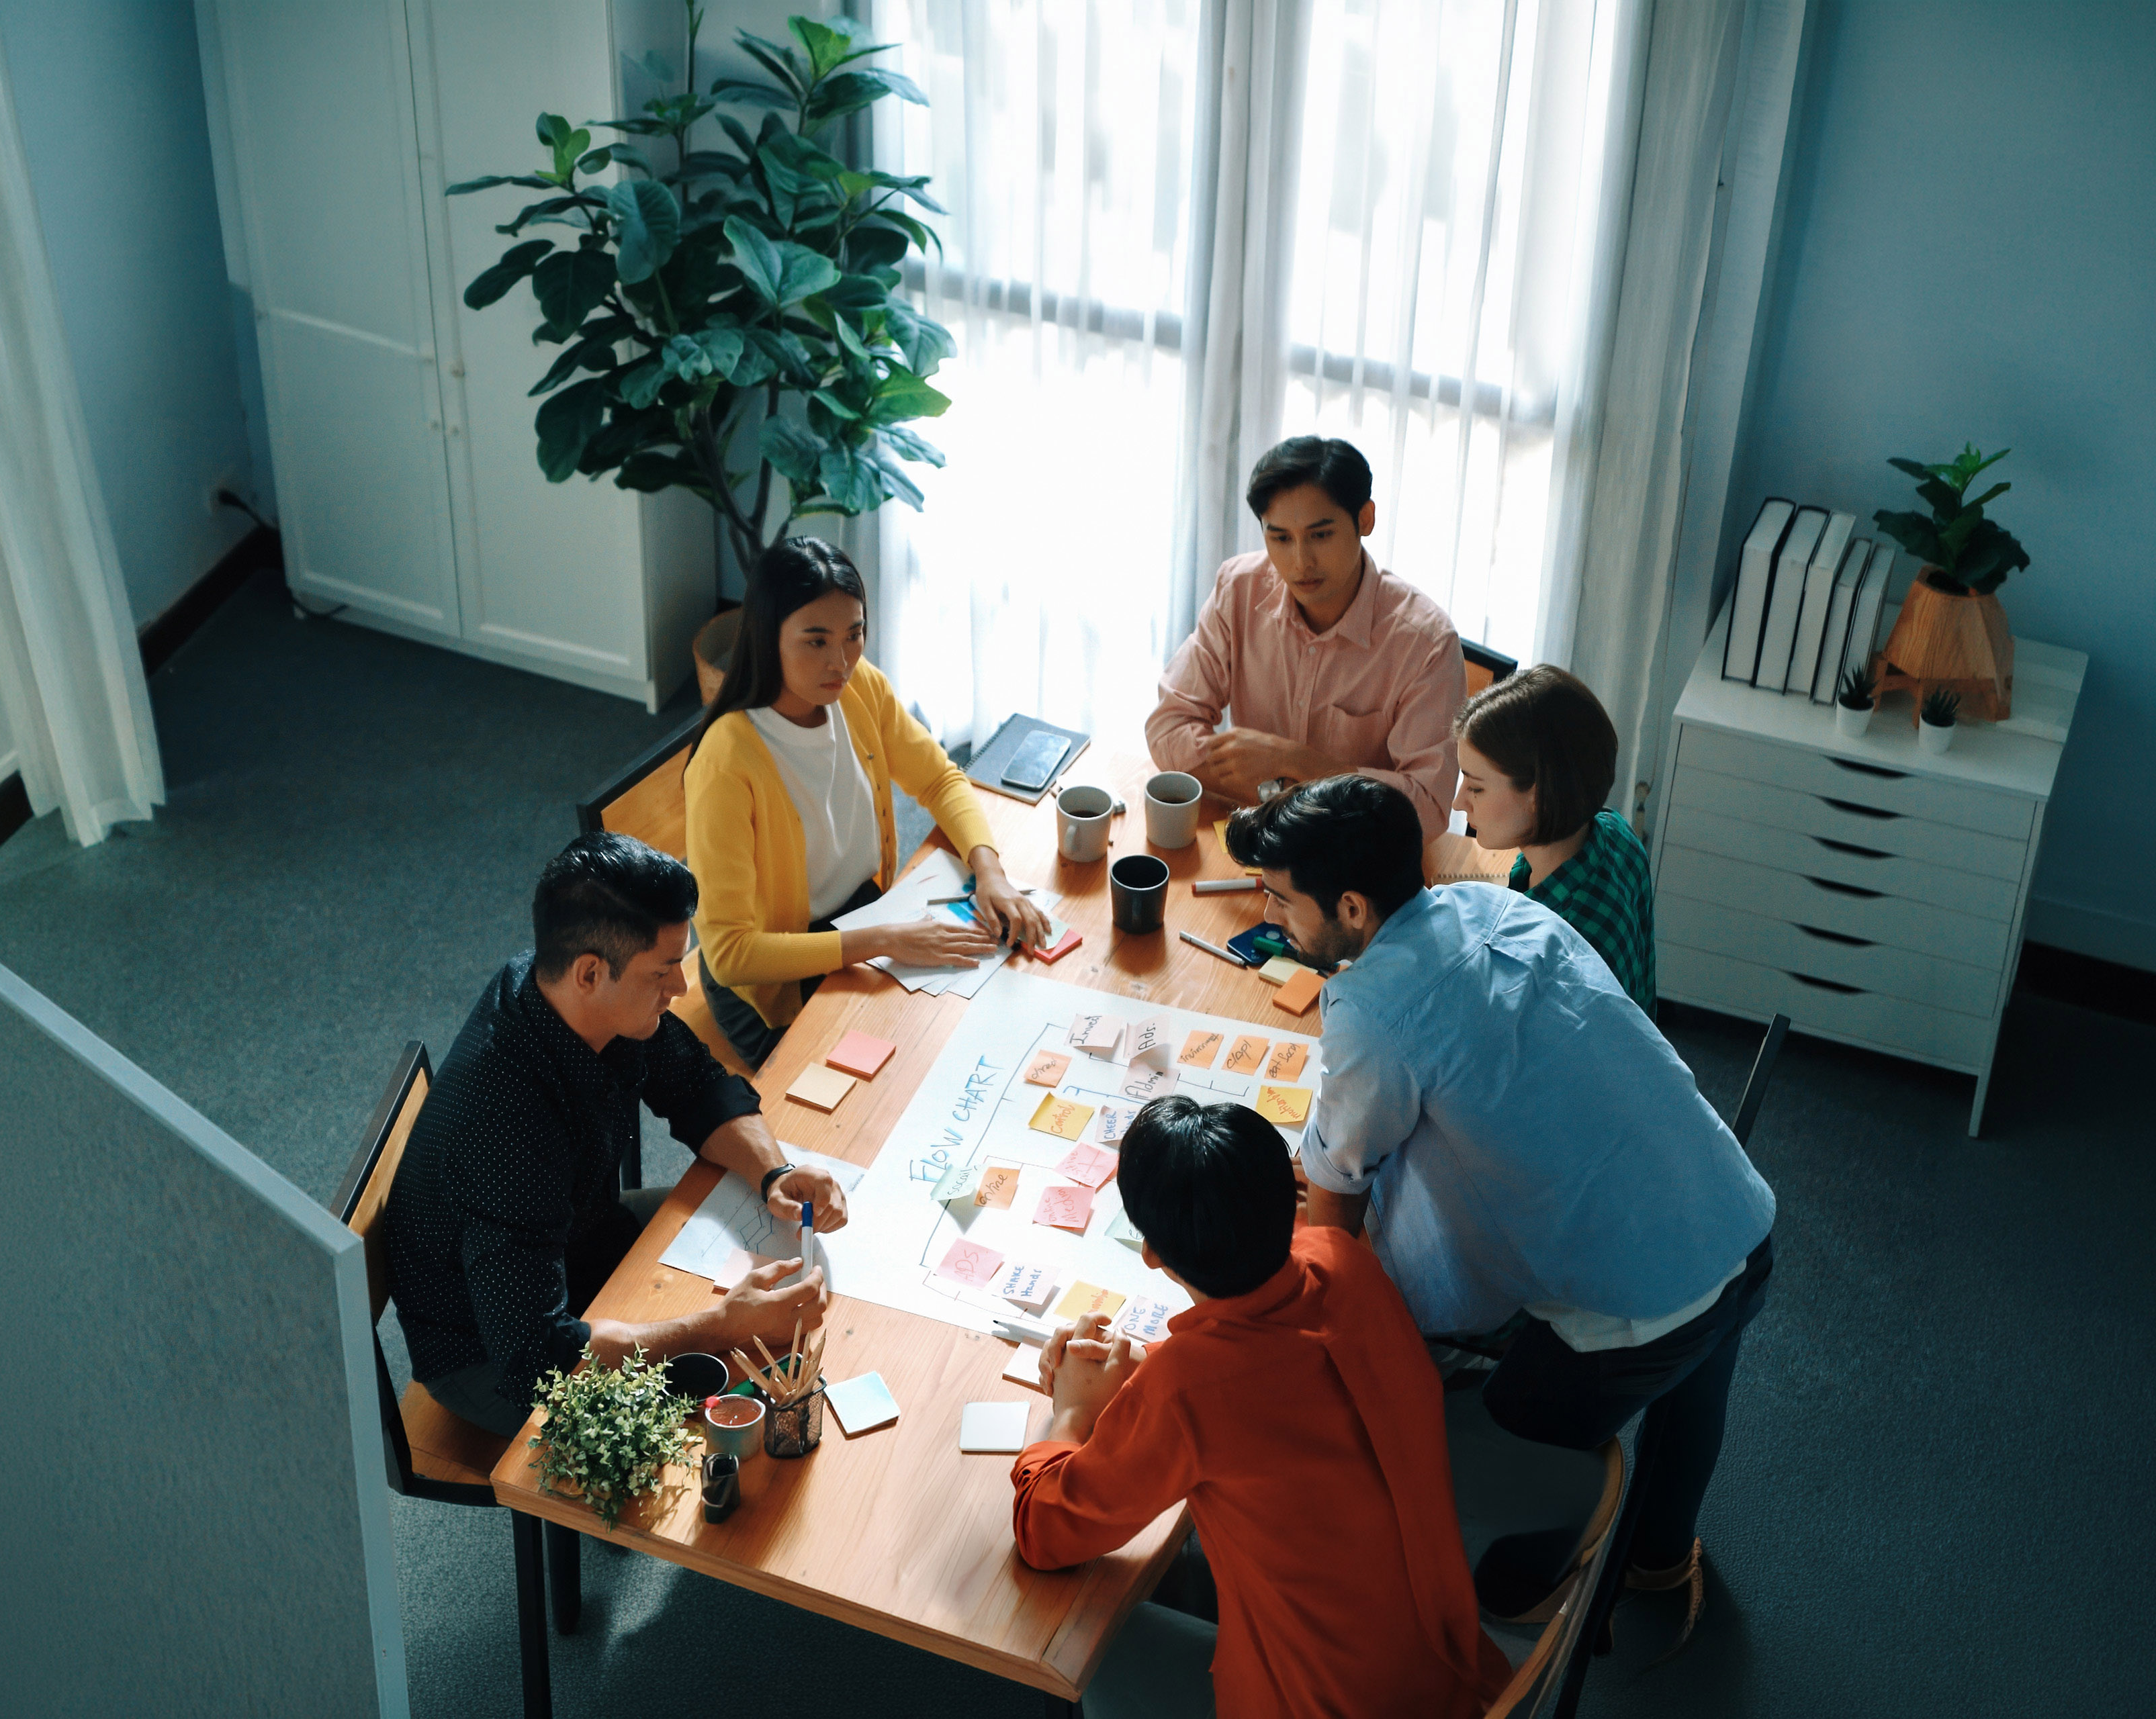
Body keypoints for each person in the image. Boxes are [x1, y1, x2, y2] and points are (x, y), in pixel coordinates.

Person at [1224, 776, 1776, 1630]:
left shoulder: (1371, 1006)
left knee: (1492, 1447)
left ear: (1354, 907)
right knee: (1693, 1397)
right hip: (1731, 1216)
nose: (1273, 916)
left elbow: (1332, 1217)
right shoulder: (1496, 907)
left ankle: (1513, 1615)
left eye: (1283, 900)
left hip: (1638, 1308)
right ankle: (1662, 1561)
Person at [1009, 1097, 1509, 1719]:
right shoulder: (1343, 1258)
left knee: (1088, 1646)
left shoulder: (1184, 1392)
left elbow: (1045, 1533)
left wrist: (1072, 1413)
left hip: (1319, 1703)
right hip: (1441, 1653)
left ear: (1152, 1253)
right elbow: (1267, 1366)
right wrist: (1142, 1372)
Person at [388, 832, 849, 1438]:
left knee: (748, 1227)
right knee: (734, 1420)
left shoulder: (578, 996)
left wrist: (775, 1173)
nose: (682, 987)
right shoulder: (505, 1124)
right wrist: (721, 1327)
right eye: (663, 970)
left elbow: (696, 1086)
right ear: (590, 973)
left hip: (573, 1238)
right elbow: (540, 1359)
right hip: (488, 1356)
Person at [684, 537, 1049, 1067]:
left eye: (854, 635)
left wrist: (990, 871)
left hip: (863, 917)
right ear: (767, 636)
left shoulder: (859, 690)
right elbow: (731, 953)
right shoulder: (726, 763)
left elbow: (940, 779)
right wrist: (881, 940)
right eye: (816, 641)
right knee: (883, 1082)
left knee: (968, 1030)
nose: (841, 662)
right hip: (775, 977)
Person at [1145, 436, 1466, 831]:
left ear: (1365, 519)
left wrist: (1296, 762)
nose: (1301, 563)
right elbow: (1167, 727)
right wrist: (1278, 790)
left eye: (1321, 535)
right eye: (1280, 538)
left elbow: (1429, 808)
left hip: (1362, 854)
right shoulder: (1239, 588)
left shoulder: (1427, 643)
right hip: (1259, 837)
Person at [1453, 663, 1657, 1015]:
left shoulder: (1564, 948)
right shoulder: (1612, 829)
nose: (1459, 802)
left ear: (1540, 795)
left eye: (1476, 787)